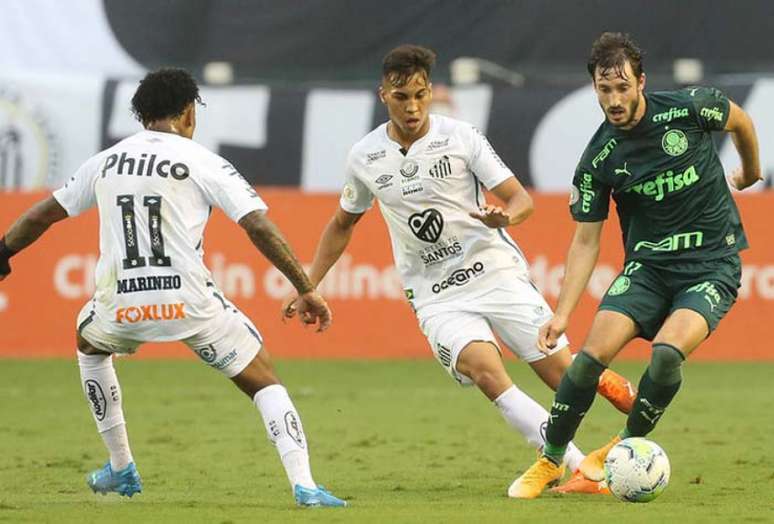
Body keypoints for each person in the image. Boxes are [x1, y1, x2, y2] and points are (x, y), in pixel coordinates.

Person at [282, 44, 637, 496]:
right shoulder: (365, 156)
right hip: (435, 295)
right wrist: (306, 282)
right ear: (382, 95)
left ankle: (604, 382)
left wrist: (504, 218)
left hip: (494, 271)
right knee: (485, 370)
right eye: (400, 97)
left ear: (430, 92)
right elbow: (341, 224)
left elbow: (520, 200)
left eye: (419, 95)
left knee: (563, 377)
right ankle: (574, 466)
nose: (411, 107)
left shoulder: (461, 136)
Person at [0, 68, 346, 508]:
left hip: (120, 306)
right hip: (189, 304)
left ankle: (121, 466)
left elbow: (41, 216)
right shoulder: (204, 161)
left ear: (141, 115)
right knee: (264, 382)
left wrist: (2, 253)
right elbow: (257, 226)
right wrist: (306, 286)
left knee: (88, 343)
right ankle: (305, 485)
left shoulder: (105, 161)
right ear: (188, 113)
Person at [511, 32, 762, 498]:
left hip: (711, 265)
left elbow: (742, 121)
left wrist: (749, 171)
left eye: (623, 87)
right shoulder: (598, 160)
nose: (615, 99)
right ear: (595, 90)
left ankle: (615, 456)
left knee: (667, 353)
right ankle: (549, 461)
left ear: (641, 82)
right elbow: (586, 240)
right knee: (586, 363)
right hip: (647, 270)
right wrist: (562, 313)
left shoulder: (688, 109)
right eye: (605, 90)